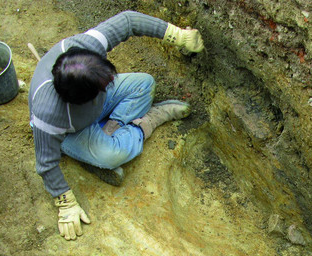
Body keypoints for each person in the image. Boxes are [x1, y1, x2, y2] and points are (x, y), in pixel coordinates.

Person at [29, 11, 204, 241]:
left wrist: (177, 36)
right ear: (86, 98)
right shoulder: (48, 117)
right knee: (114, 154)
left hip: (89, 101)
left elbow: (129, 21)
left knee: (144, 84)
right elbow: (45, 163)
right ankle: (147, 122)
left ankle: (110, 130)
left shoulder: (85, 48)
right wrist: (65, 202)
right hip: (73, 131)